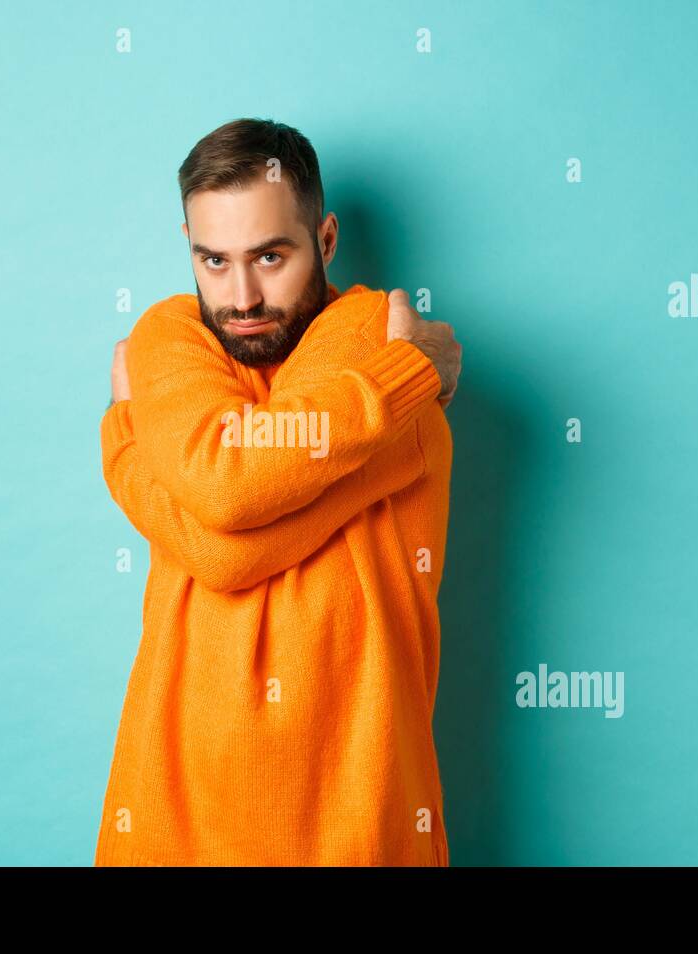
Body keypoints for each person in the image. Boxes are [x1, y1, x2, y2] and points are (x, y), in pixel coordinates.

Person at [96, 117, 462, 865]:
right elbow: (234, 508)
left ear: (325, 242)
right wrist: (129, 445)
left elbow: (224, 524)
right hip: (168, 822)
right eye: (214, 261)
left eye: (270, 256)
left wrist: (126, 436)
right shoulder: (172, 335)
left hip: (357, 828)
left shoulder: (375, 337)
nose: (243, 297)